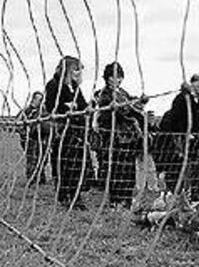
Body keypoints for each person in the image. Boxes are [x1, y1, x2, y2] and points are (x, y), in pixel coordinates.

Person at [92, 62, 146, 208]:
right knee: (117, 170)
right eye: (115, 77)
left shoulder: (123, 93)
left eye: (120, 77)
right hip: (114, 138)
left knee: (128, 171)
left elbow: (131, 108)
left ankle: (126, 200)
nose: (119, 80)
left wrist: (139, 102)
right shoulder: (105, 94)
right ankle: (116, 201)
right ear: (108, 78)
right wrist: (133, 110)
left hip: (128, 137)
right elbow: (123, 111)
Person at [158, 73, 199, 201]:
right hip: (184, 149)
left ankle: (196, 201)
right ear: (195, 83)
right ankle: (178, 202)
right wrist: (184, 134)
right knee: (181, 179)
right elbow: (175, 121)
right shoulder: (181, 99)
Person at [45, 56, 90, 209]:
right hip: (62, 131)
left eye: (79, 70)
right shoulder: (53, 85)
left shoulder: (75, 87)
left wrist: (83, 108)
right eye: (76, 69)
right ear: (67, 69)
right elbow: (51, 107)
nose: (78, 73)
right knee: (65, 164)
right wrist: (66, 108)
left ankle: (76, 196)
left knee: (77, 165)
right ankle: (65, 196)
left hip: (77, 130)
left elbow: (82, 105)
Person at [17, 91, 48, 185]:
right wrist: (25, 134)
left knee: (42, 158)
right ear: (34, 99)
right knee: (32, 159)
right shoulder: (26, 111)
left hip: (40, 138)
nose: (41, 101)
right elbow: (18, 123)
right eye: (39, 99)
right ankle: (31, 179)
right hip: (29, 139)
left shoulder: (42, 111)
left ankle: (41, 178)